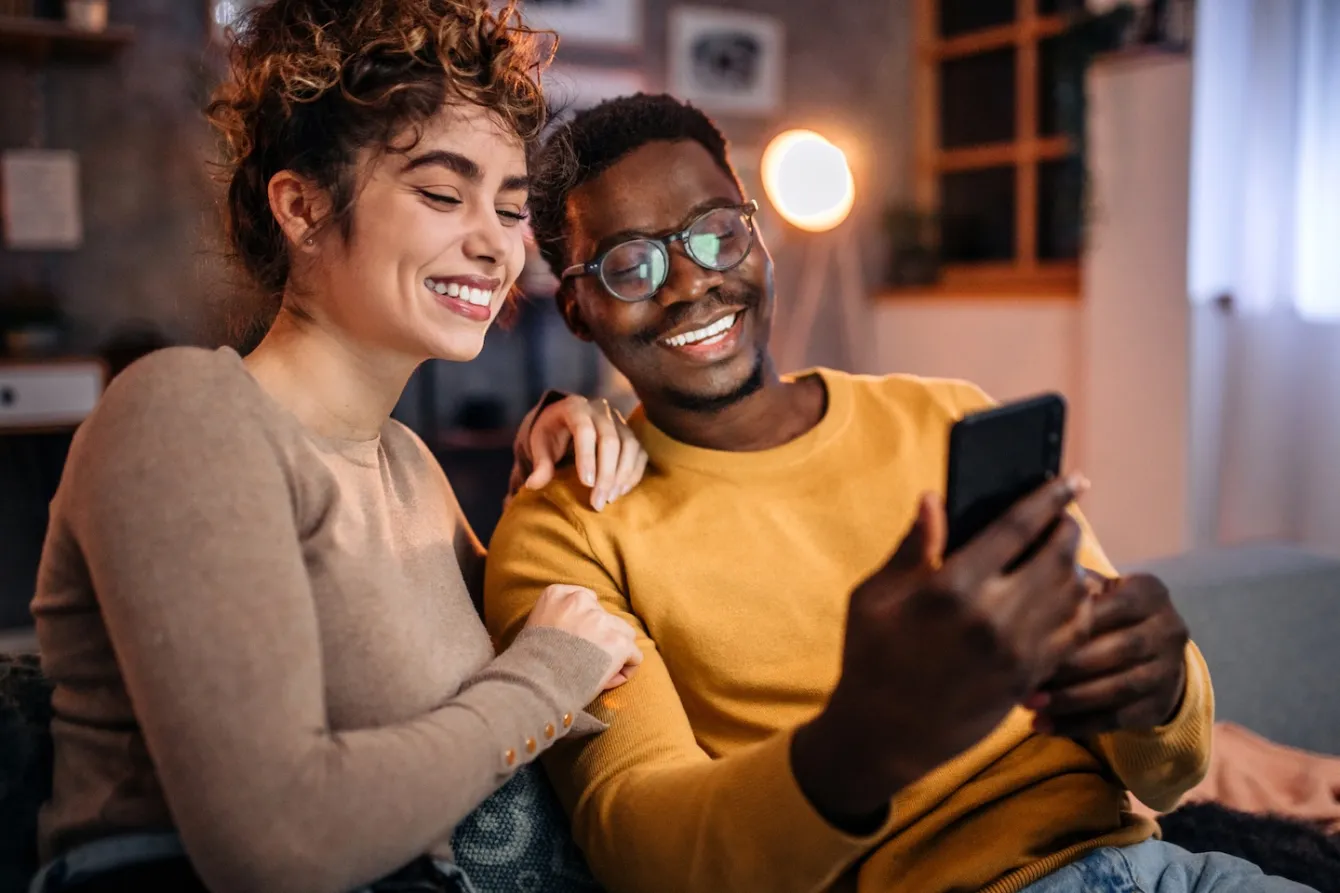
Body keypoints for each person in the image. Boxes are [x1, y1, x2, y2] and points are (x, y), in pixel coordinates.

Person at [485, 94, 1317, 893]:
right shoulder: (568, 528)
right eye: (632, 264)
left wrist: (1163, 686)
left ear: (759, 239)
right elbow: (643, 847)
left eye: (717, 232)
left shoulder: (945, 415)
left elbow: (1168, 771)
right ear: (579, 310)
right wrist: (863, 738)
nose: (690, 283)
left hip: (1161, 868)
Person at [28, 3, 648, 892]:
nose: (493, 245)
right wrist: (547, 678)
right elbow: (276, 845)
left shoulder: (407, 465)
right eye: (442, 193)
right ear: (303, 206)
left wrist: (546, 483)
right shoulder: (184, 414)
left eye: (511, 209)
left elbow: (513, 650)